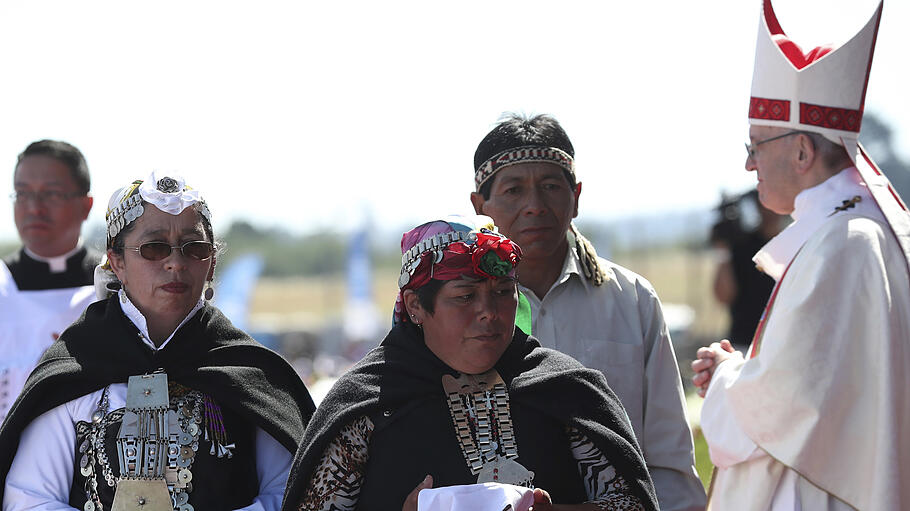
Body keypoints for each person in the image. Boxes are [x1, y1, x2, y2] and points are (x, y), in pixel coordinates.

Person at [281, 216, 658, 511]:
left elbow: (631, 504)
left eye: (502, 293)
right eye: (464, 297)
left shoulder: (567, 392)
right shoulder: (367, 405)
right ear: (416, 306)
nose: (488, 313)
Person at [691, 1, 910, 509]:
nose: (749, 164)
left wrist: (726, 373)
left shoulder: (843, 243)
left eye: (756, 146)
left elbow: (778, 412)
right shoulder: (854, 231)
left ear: (802, 153)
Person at [0, 172, 316, 510]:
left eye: (194, 248)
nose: (176, 263)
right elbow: (29, 499)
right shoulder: (73, 369)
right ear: (117, 261)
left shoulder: (251, 374)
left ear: (210, 266)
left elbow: (288, 494)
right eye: (154, 248)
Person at [469, 114, 705, 510]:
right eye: (513, 190)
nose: (535, 206)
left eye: (550, 187)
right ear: (480, 206)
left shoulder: (631, 301)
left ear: (575, 196)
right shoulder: (456, 311)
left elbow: (669, 457)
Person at [1, 140, 99, 421]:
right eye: (22, 193)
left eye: (51, 194)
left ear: (86, 205)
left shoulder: (116, 289)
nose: (34, 207)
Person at [710, 189, 786, 351]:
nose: (769, 210)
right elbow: (723, 296)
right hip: (745, 343)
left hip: (783, 344)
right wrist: (723, 251)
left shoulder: (795, 244)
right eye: (763, 204)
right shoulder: (742, 247)